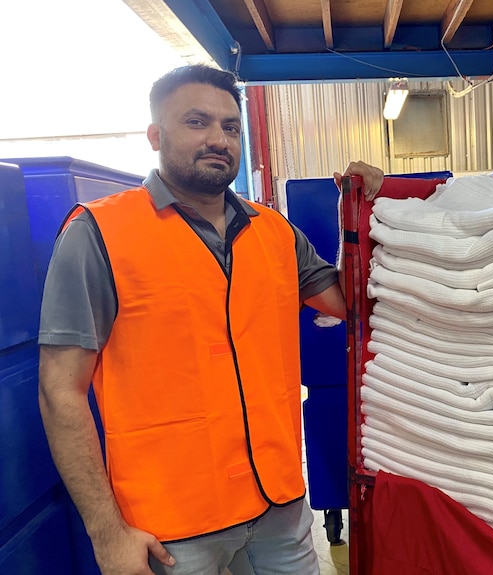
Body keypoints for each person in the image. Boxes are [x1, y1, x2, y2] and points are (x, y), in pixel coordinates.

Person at [37, 64, 383, 575]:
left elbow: (352, 302)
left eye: (230, 126)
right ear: (156, 135)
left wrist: (364, 214)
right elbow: (59, 391)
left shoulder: (275, 233)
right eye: (196, 122)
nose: (218, 139)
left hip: (279, 508)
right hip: (172, 528)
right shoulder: (99, 233)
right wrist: (107, 533)